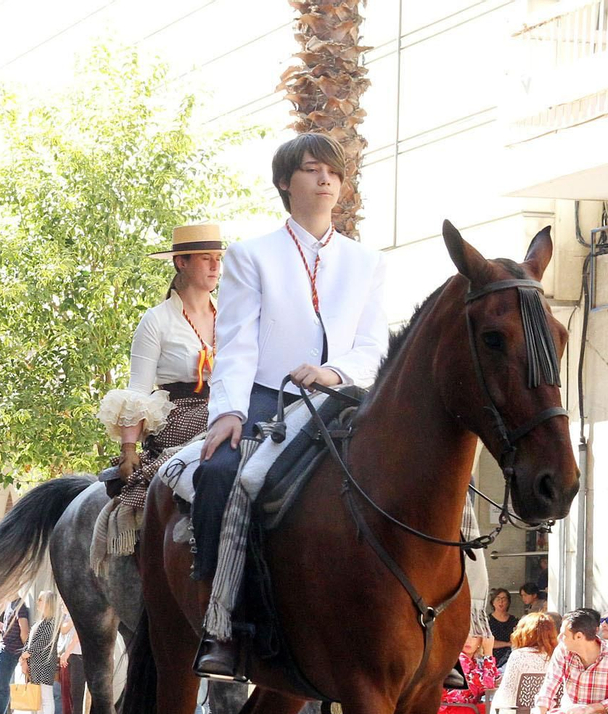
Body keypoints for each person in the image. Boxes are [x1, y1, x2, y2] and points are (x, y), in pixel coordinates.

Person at [192, 132, 388, 679]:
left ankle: (448, 633)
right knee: (225, 474)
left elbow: (375, 346)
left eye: (334, 171)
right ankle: (220, 625)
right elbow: (235, 343)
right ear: (285, 182)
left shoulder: (368, 262)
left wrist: (334, 372)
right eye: (311, 169)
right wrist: (228, 411)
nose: (325, 179)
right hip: (268, 400)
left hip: (345, 401)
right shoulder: (251, 254)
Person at [95, 223, 225, 562]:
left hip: (227, 404)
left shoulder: (230, 315)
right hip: (180, 412)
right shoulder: (156, 321)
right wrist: (128, 448)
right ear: (181, 262)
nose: (215, 267)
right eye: (205, 259)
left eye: (218, 259)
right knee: (219, 420)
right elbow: (138, 389)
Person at [26, 592, 60, 714]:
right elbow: (30, 640)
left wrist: (28, 652)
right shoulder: (41, 621)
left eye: (41, 600)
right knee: (39, 700)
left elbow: (44, 641)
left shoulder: (52, 622)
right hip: (35, 664)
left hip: (45, 663)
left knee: (46, 698)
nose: (38, 603)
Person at [488, 588, 518, 666]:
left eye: (504, 599)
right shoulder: (487, 620)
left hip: (510, 658)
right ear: (493, 602)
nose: (501, 602)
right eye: (498, 599)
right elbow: (487, 642)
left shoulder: (514, 620)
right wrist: (507, 644)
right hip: (492, 657)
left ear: (508, 602)